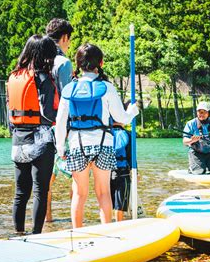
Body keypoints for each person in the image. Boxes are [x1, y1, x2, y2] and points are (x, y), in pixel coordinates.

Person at [54, 43, 139, 228]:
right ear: (100, 62)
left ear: (78, 64)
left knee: (79, 194)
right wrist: (133, 111)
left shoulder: (69, 89)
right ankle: (107, 233)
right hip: (103, 146)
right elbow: (121, 119)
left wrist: (60, 148)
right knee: (103, 193)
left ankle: (77, 234)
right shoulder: (106, 87)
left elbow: (60, 122)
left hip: (77, 146)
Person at [8, 34, 59, 234]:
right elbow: (47, 113)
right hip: (40, 141)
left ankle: (18, 233)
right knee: (40, 191)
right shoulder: (44, 78)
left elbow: (10, 114)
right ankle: (37, 234)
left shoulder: (14, 76)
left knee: (20, 193)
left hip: (18, 141)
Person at [45, 18, 74, 222]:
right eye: (69, 40)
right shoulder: (63, 63)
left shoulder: (36, 60)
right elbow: (67, 97)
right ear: (64, 38)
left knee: (46, 180)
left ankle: (47, 221)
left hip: (40, 126)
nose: (69, 44)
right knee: (76, 177)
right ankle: (76, 223)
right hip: (61, 126)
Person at [110, 121, 132, 221]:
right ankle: (119, 226)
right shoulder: (127, 134)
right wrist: (135, 172)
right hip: (123, 172)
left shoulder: (104, 133)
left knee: (106, 201)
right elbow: (131, 156)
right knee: (120, 204)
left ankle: (106, 225)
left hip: (105, 172)